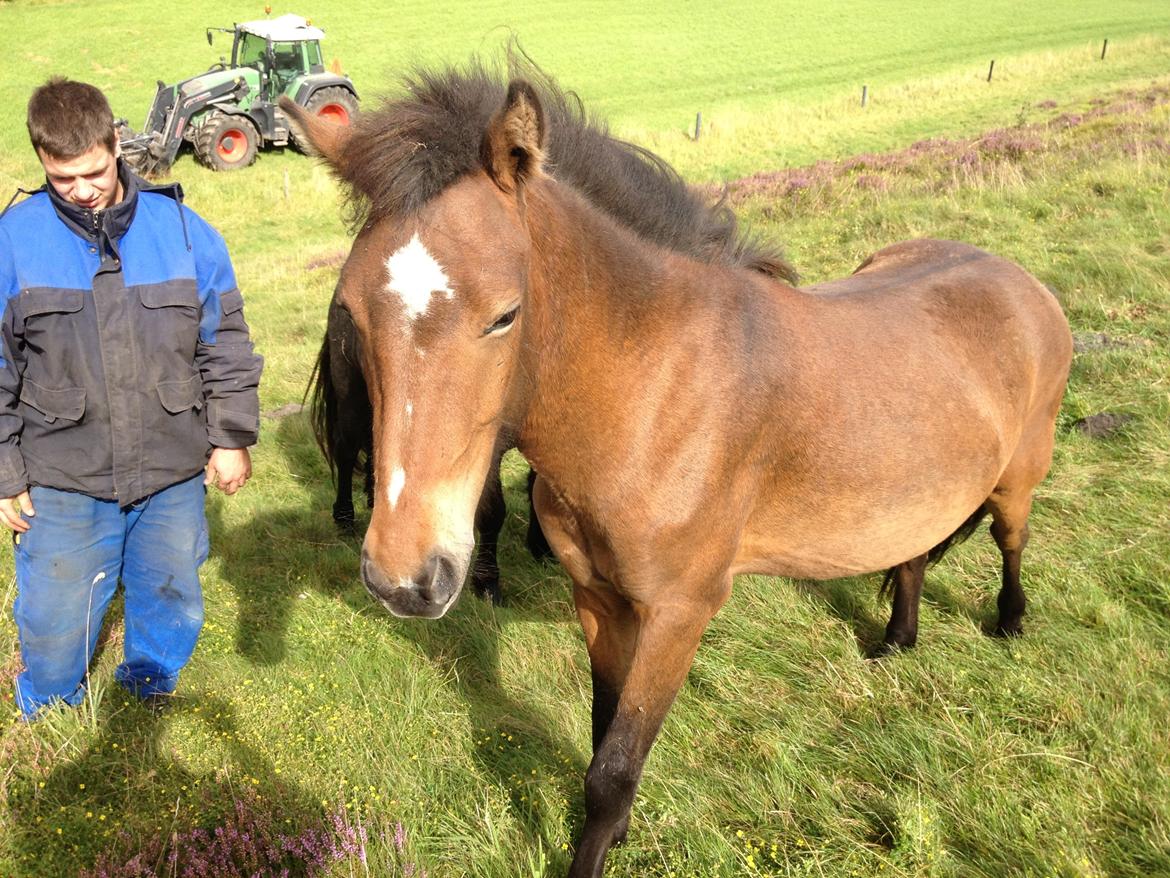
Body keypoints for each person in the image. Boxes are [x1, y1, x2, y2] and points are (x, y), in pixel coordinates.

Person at [0, 77, 263, 719]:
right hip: (62, 474)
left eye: (93, 172)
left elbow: (225, 341)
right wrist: (5, 471)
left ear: (116, 143)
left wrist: (230, 437)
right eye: (62, 179)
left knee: (170, 591)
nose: (82, 191)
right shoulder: (12, 242)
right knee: (54, 617)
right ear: (42, 161)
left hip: (171, 467)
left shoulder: (186, 233)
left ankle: (151, 677)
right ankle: (51, 702)